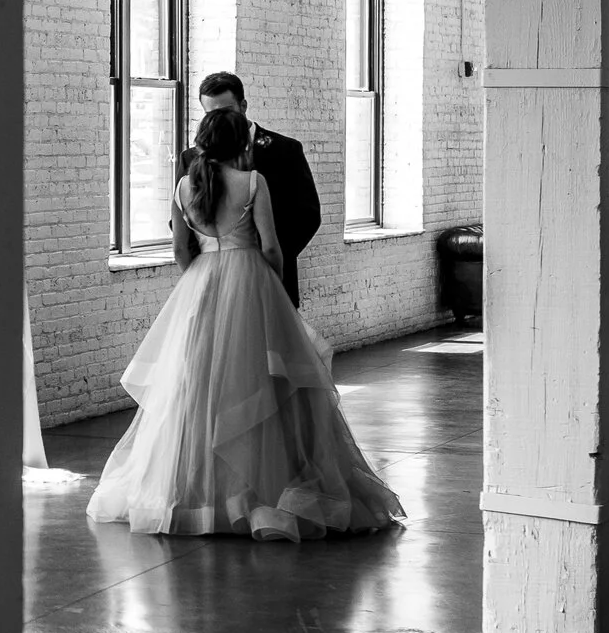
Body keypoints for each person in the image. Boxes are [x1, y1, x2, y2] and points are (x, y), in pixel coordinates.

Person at [90, 107, 402, 542]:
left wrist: (201, 282)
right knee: (264, 381)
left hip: (201, 284)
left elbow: (181, 251)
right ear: (242, 143)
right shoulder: (254, 182)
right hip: (252, 280)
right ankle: (265, 491)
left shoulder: (184, 186)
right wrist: (266, 284)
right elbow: (272, 247)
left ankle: (196, 497)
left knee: (198, 386)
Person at [178, 71, 318, 307]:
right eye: (212, 114)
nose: (220, 120)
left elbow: (307, 215)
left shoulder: (285, 150)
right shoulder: (190, 158)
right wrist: (207, 265)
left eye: (227, 111)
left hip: (273, 276)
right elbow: (183, 222)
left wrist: (267, 260)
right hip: (211, 284)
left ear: (243, 105)